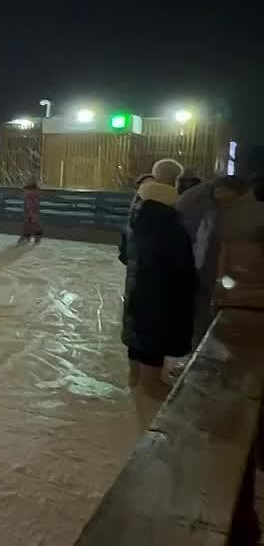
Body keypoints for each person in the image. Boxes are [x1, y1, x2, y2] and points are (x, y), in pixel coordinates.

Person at [120, 167, 196, 427]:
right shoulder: (169, 228)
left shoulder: (135, 220)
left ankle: (133, 408)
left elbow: (124, 254)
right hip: (159, 301)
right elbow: (180, 268)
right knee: (151, 370)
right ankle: (147, 423)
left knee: (137, 358)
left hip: (137, 295)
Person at [189, 176, 264, 344]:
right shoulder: (215, 211)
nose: (217, 194)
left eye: (221, 190)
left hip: (238, 282)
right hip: (216, 278)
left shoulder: (249, 214)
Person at [18, 179, 44, 244]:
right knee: (30, 225)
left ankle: (30, 236)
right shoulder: (32, 196)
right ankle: (29, 236)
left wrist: (31, 214)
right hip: (31, 214)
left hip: (31, 214)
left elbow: (31, 206)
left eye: (25, 191)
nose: (24, 192)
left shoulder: (30, 196)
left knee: (31, 225)